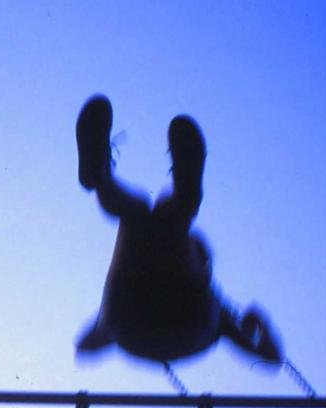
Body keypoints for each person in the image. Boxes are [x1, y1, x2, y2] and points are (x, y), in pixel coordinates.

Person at [74, 94, 284, 368]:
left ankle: (102, 180)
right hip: (187, 324)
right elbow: (271, 357)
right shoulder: (221, 315)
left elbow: (85, 347)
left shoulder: (218, 311)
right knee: (161, 216)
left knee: (139, 213)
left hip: (129, 322)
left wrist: (104, 324)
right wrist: (261, 325)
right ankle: (185, 197)